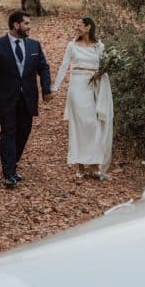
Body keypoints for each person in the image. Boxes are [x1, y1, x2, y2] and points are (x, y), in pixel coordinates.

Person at [0, 10, 52, 188]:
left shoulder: (35, 45)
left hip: (28, 97)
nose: (29, 27)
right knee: (8, 132)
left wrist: (46, 89)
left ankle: (12, 165)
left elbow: (43, 68)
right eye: (26, 23)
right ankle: (8, 173)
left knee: (24, 132)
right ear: (16, 25)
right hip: (5, 97)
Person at [52, 16, 114, 179]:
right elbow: (64, 66)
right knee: (79, 125)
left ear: (88, 27)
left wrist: (100, 72)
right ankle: (79, 164)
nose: (76, 28)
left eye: (79, 25)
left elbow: (104, 66)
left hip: (94, 87)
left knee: (93, 125)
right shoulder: (72, 46)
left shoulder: (99, 46)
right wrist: (55, 87)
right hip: (77, 87)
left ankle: (94, 163)